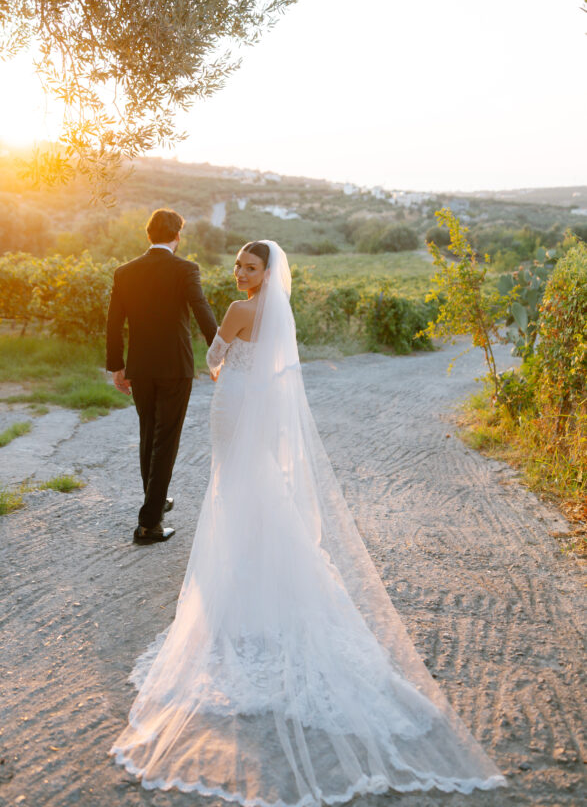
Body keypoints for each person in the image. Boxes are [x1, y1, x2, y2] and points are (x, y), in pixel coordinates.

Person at [110, 240, 506, 803]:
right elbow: (283, 376)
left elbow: (213, 361)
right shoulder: (280, 313)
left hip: (234, 408)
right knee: (259, 493)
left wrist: (223, 372)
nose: (241, 273)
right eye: (239, 267)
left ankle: (236, 599)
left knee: (234, 495)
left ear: (266, 271)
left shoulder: (240, 310)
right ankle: (268, 585)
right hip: (264, 410)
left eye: (250, 267)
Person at [106, 208, 217, 545]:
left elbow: (113, 323)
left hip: (141, 367)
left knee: (148, 433)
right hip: (175, 368)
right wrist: (222, 352)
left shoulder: (125, 272)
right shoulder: (186, 269)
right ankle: (149, 524)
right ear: (177, 237)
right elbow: (202, 311)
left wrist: (117, 366)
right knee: (166, 439)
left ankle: (155, 500)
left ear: (148, 235)